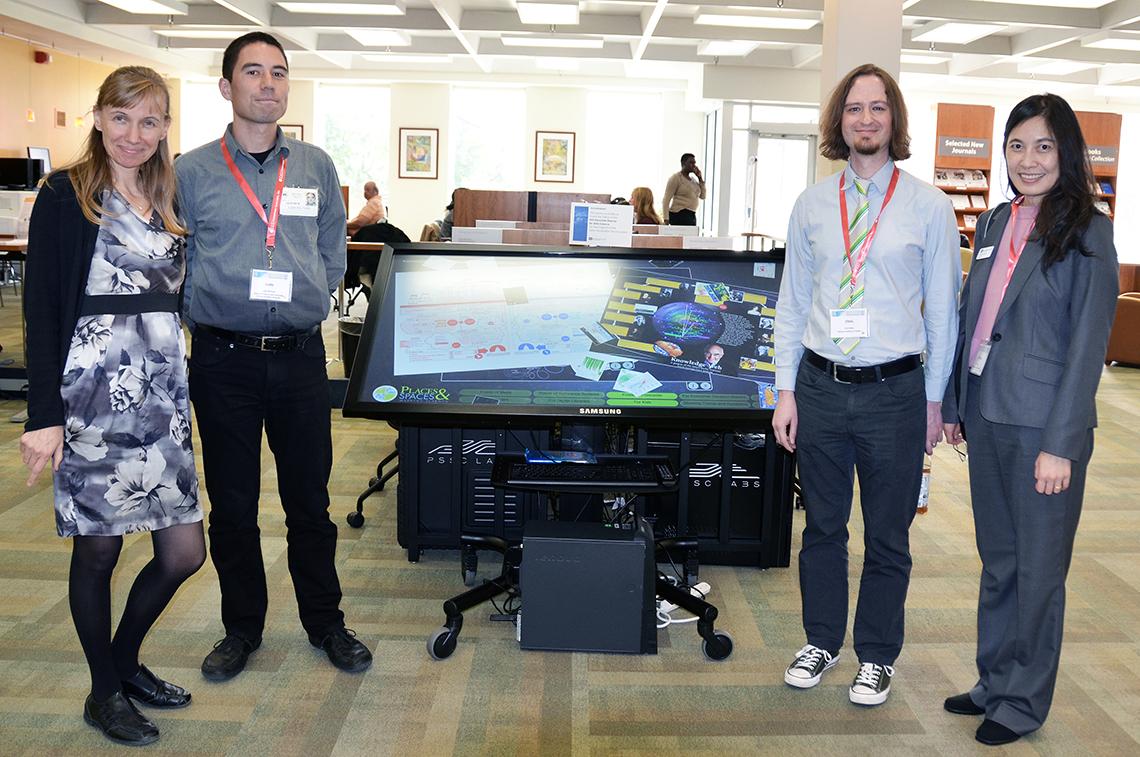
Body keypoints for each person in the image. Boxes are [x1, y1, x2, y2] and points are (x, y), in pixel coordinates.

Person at [176, 31, 372, 682]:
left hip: (298, 360)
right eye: (253, 72)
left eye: (279, 73)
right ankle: (242, 628)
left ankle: (326, 622)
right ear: (227, 86)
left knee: (309, 502)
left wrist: (311, 292)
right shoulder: (192, 170)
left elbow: (333, 252)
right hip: (222, 360)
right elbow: (175, 256)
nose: (268, 83)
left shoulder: (315, 166)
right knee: (232, 505)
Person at [21, 65, 205, 747]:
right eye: (121, 118)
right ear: (98, 118)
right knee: (97, 551)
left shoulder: (170, 193)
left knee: (185, 550)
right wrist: (43, 416)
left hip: (161, 394)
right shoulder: (66, 196)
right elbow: (41, 309)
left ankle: (123, 659)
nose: (134, 134)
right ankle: (104, 690)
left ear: (164, 128)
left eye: (150, 120)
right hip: (92, 394)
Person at [771, 63, 960, 707]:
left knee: (888, 534)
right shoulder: (812, 205)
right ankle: (821, 641)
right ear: (839, 121)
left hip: (896, 393)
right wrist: (785, 390)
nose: (867, 119)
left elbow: (943, 314)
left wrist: (935, 400)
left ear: (894, 120)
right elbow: (792, 304)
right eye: (855, 108)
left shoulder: (929, 207)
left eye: (878, 108)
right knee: (822, 527)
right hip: (821, 386)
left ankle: (876, 654)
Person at [941, 94, 1118, 747]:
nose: (1028, 159)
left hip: (1046, 429)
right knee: (1000, 560)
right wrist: (958, 404)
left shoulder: (1088, 231)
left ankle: (1022, 701)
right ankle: (993, 679)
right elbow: (974, 321)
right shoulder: (993, 223)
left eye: (1043, 146)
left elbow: (1087, 346)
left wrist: (1061, 444)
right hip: (987, 415)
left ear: (1066, 152)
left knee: (1040, 569)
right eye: (1017, 145)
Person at [662, 153, 705, 226]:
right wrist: (666, 219)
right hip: (679, 214)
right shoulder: (676, 178)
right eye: (691, 162)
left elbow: (703, 196)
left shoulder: (693, 180)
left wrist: (700, 178)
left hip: (691, 215)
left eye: (694, 163)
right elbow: (666, 199)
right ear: (683, 163)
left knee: (691, 237)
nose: (694, 165)